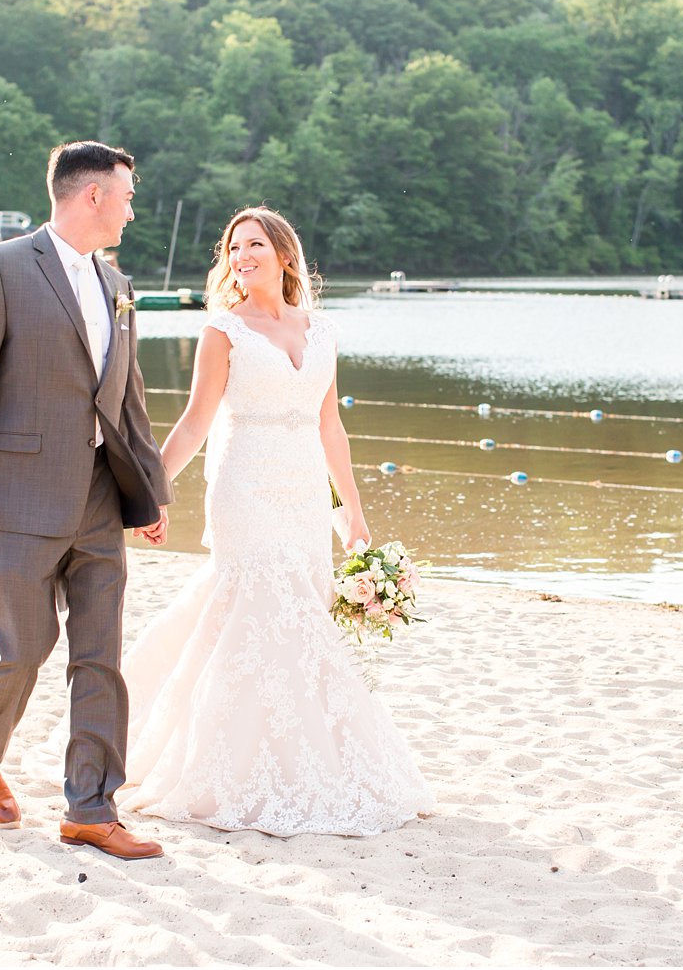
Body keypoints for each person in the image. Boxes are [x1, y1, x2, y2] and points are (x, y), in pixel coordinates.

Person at [82, 206, 433, 836]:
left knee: (300, 614)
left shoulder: (321, 331)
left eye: (254, 246)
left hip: (302, 496)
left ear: (285, 256)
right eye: (233, 248)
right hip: (244, 489)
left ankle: (304, 760)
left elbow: (331, 426)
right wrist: (151, 491)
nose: (241, 257)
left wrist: (352, 513)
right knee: (260, 607)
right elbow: (194, 421)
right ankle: (221, 767)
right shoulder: (224, 331)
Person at [0, 140, 172, 861]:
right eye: (126, 194)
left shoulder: (118, 282)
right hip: (22, 490)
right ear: (92, 195)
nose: (131, 206)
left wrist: (149, 490)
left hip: (102, 493)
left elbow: (129, 399)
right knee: (26, 643)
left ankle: (91, 806)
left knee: (101, 656)